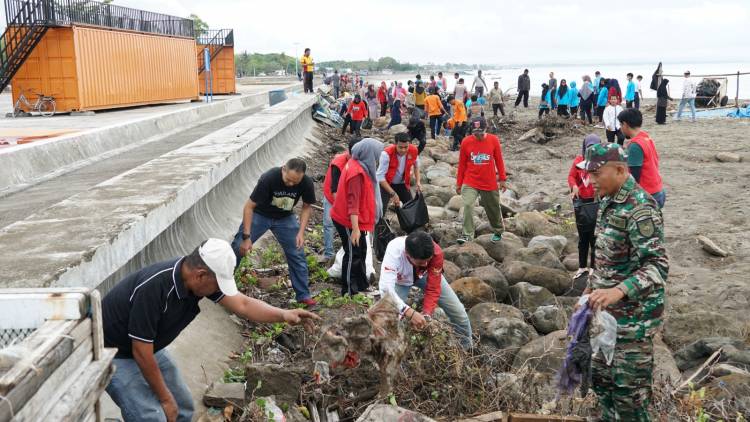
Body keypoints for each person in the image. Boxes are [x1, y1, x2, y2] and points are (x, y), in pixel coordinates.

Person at [103, 239, 320, 422]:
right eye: (217, 285)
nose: (218, 291)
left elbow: (243, 305)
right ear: (200, 275)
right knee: (152, 417)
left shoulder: (195, 283)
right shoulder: (155, 287)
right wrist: (165, 399)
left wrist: (284, 314)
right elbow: (141, 350)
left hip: (148, 348)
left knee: (183, 407)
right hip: (114, 354)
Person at [582, 143, 668, 421]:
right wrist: (587, 296)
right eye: (588, 173)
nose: (591, 181)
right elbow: (604, 259)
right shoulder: (609, 199)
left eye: (597, 173)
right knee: (604, 390)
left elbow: (657, 265)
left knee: (629, 402)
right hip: (606, 320)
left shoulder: (641, 208)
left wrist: (619, 291)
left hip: (633, 325)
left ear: (620, 170)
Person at [232, 158, 317, 306]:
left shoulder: (306, 183)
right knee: (238, 246)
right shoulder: (269, 178)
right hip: (260, 215)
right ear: (283, 169)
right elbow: (248, 207)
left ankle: (303, 295)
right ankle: (223, 285)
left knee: (297, 253)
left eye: (295, 182)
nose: (291, 184)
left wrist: (301, 233)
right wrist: (246, 237)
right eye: (288, 180)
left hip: (285, 218)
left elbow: (306, 207)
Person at [379, 231, 472, 348]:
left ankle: (466, 349)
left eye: (428, 260)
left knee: (460, 313)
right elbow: (386, 289)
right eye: (421, 262)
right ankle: (389, 350)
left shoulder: (436, 252)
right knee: (387, 315)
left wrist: (427, 313)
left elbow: (433, 288)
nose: (425, 264)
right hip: (401, 280)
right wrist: (409, 312)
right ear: (407, 253)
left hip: (425, 275)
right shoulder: (394, 251)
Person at [331, 138, 384, 296]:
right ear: (368, 153)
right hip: (348, 220)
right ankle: (348, 290)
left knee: (361, 250)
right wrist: (355, 229)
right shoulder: (356, 172)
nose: (377, 158)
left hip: (355, 220)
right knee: (352, 252)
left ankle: (361, 284)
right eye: (376, 154)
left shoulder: (360, 166)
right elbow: (352, 204)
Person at [456, 116, 507, 244]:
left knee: (493, 207)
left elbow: (499, 161)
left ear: (486, 129)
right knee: (467, 205)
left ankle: (498, 230)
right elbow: (462, 164)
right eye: (475, 132)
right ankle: (467, 234)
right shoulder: (466, 142)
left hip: (488, 181)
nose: (478, 135)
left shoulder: (493, 140)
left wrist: (502, 179)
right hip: (470, 180)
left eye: (481, 132)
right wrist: (459, 183)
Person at [322, 137, 361, 261]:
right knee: (329, 223)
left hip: (348, 197)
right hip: (332, 196)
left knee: (349, 224)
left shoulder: (360, 161)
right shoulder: (338, 163)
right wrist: (343, 209)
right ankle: (329, 253)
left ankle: (346, 248)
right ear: (350, 152)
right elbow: (334, 190)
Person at [618, 108, 666, 208]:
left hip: (648, 194)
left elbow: (634, 176)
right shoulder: (646, 137)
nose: (620, 129)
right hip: (658, 189)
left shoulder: (635, 145)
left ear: (625, 125)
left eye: (620, 125)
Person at [568, 135, 601, 278]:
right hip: (581, 203)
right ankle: (582, 267)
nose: (591, 151)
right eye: (589, 148)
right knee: (583, 237)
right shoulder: (579, 160)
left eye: (594, 148)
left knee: (595, 237)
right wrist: (574, 186)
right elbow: (571, 176)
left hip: (596, 203)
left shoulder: (601, 162)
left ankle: (594, 266)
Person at [377, 132, 421, 215]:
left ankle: (410, 225)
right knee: (381, 209)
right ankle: (379, 224)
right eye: (400, 147)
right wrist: (393, 193)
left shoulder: (413, 150)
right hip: (386, 183)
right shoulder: (386, 154)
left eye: (406, 147)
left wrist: (418, 181)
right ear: (395, 144)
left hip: (402, 183)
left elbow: (416, 166)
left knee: (410, 206)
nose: (403, 150)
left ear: (409, 144)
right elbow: (380, 176)